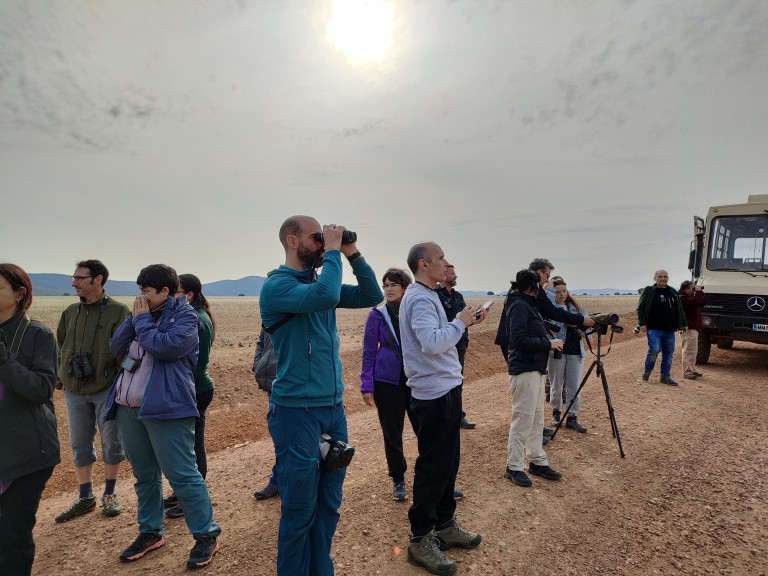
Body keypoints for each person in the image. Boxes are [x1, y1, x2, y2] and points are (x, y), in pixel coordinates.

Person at [259, 217, 382, 576]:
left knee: (329, 503)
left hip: (331, 409)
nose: (322, 242)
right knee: (299, 509)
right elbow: (326, 295)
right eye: (316, 238)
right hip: (296, 411)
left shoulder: (317, 283)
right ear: (293, 240)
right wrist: (331, 251)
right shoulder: (277, 287)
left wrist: (351, 252)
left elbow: (371, 294)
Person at [104, 264, 221, 569]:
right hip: (128, 407)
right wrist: (135, 319)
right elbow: (116, 347)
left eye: (145, 290)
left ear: (165, 291)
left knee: (182, 474)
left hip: (167, 407)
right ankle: (150, 532)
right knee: (144, 476)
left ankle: (205, 534)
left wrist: (141, 321)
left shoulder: (187, 317)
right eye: (139, 288)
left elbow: (165, 347)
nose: (139, 295)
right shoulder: (141, 316)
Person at [400, 242, 486, 575]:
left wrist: (467, 322)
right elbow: (432, 343)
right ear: (424, 264)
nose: (445, 263)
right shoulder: (421, 297)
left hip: (444, 388)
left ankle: (446, 525)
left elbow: (439, 335)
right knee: (434, 466)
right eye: (440, 259)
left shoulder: (427, 294)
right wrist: (462, 322)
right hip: (434, 394)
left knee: (449, 462)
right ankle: (420, 538)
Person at [54, 259, 129, 523]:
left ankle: (110, 493)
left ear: (98, 280)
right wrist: (61, 378)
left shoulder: (119, 311)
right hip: (74, 390)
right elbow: (60, 345)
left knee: (112, 441)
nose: (74, 283)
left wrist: (120, 382)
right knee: (79, 442)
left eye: (79, 278)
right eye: (73, 278)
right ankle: (85, 497)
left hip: (106, 389)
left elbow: (127, 350)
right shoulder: (70, 312)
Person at [0, 264, 60, 576]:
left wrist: (3, 358)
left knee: (12, 536)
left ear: (19, 294)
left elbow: (40, 390)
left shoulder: (38, 334)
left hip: (27, 455)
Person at [360, 267, 417, 502]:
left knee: (425, 430)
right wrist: (367, 384)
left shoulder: (415, 310)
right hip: (387, 381)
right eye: (386, 285)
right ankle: (398, 479)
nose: (389, 289)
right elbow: (368, 351)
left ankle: (434, 479)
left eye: (394, 285)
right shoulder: (377, 314)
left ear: (405, 287)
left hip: (416, 378)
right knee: (392, 433)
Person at [504, 269, 564, 488]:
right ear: (532, 287)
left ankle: (537, 460)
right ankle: (514, 467)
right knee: (523, 419)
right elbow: (518, 339)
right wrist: (548, 343)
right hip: (525, 371)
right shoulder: (519, 306)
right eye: (539, 286)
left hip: (535, 370)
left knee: (537, 418)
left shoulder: (526, 304)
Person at [163, 274, 216, 518]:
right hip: (192, 388)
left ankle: (193, 498)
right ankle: (183, 492)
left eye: (176, 291)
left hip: (193, 389)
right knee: (185, 445)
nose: (171, 296)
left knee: (192, 447)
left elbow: (195, 361)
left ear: (189, 295)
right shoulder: (195, 316)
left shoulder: (196, 319)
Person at [435, 263, 475, 429]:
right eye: (452, 273)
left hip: (459, 344)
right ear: (444, 275)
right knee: (442, 382)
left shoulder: (458, 296)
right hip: (443, 345)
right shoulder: (434, 296)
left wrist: (475, 318)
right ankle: (443, 416)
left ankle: (457, 416)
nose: (455, 276)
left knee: (457, 381)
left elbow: (463, 321)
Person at [546, 278, 588, 432]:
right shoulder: (551, 309)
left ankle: (572, 417)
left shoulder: (577, 307)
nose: (562, 294)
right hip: (557, 352)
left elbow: (587, 327)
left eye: (564, 290)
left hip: (576, 351)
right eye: (557, 291)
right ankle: (556, 412)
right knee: (556, 385)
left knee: (574, 386)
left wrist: (581, 325)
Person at [637, 270, 686, 386]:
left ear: (668, 278)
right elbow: (641, 308)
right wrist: (642, 323)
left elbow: (680, 309)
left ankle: (665, 376)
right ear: (655, 278)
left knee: (668, 354)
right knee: (654, 349)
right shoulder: (649, 291)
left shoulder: (672, 291)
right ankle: (647, 372)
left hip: (669, 329)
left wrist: (683, 323)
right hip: (654, 328)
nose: (662, 279)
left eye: (665, 277)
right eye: (660, 276)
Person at [252, 327, 279, 500]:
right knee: (279, 436)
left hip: (291, 385)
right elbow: (262, 341)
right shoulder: (270, 310)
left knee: (292, 437)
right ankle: (279, 481)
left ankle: (287, 482)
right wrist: (258, 364)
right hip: (273, 385)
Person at [679, 280, 705, 380]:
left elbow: (701, 302)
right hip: (688, 328)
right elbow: (697, 301)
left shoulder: (688, 298)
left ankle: (691, 369)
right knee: (688, 350)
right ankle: (687, 372)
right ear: (686, 289)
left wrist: (700, 292)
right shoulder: (682, 298)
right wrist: (698, 292)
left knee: (693, 350)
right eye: (692, 288)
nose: (694, 290)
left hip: (693, 328)